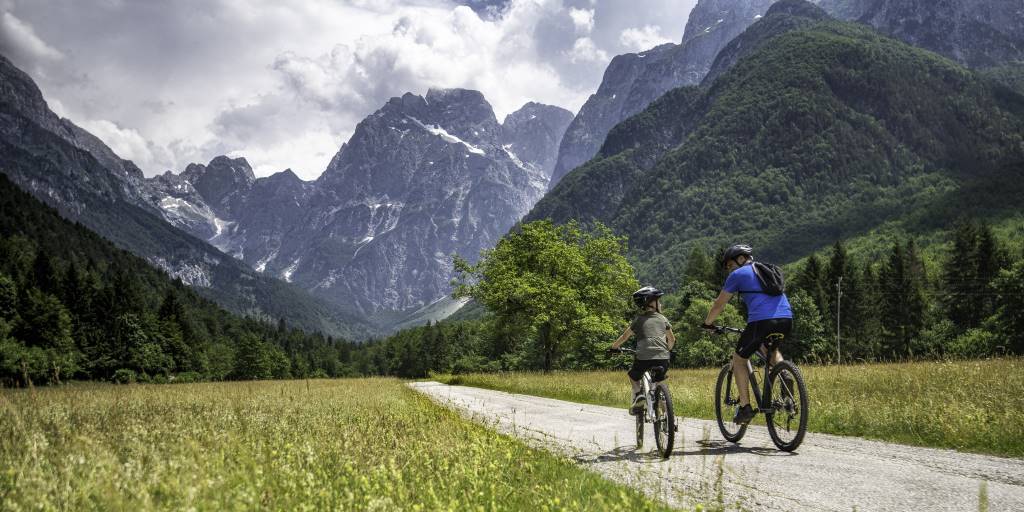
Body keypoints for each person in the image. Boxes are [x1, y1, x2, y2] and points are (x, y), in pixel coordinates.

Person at [702, 244, 792, 425]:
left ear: (740, 259)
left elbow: (719, 304)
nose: (729, 269)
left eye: (729, 264)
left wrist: (707, 323)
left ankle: (745, 408)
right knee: (770, 347)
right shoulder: (767, 270)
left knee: (739, 359)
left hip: (761, 322)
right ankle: (785, 373)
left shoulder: (738, 275)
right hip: (786, 319)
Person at [609, 286, 676, 415]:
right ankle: (668, 417)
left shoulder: (638, 320)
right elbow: (672, 339)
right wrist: (668, 350)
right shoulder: (663, 319)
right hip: (663, 358)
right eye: (658, 301)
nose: (660, 303)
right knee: (659, 382)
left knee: (633, 377)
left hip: (643, 358)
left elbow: (624, 337)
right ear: (651, 302)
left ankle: (639, 395)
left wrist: (613, 348)